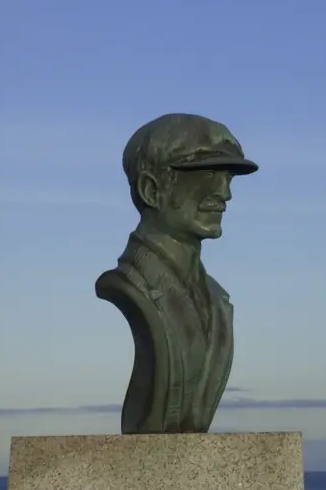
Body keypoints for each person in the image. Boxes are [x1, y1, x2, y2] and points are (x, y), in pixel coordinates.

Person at [95, 113, 258, 434]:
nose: (225, 193)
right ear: (151, 190)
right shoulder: (130, 284)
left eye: (228, 177)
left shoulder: (216, 298)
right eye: (208, 173)